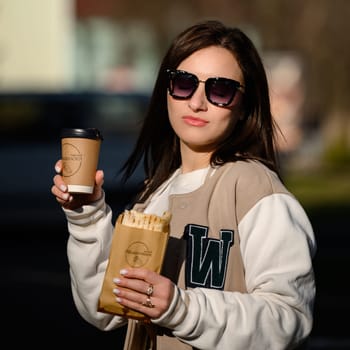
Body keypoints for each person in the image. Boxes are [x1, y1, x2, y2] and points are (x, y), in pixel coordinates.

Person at [51, 20, 316, 350]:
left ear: (245, 105)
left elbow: (289, 320)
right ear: (167, 90)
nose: (197, 102)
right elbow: (105, 311)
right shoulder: (153, 196)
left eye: (220, 90)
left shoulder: (257, 191)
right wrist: (86, 216)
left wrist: (180, 309)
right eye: (184, 83)